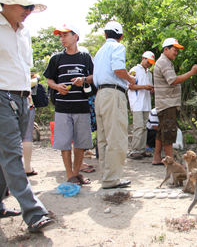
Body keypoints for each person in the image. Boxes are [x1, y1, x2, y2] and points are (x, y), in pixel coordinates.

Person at [0, 0, 54, 233]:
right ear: (7, 3)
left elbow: (24, 67)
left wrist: (29, 95)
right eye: (25, 6)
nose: (29, 11)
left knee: (5, 154)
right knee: (13, 153)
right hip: (1, 97)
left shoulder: (24, 32)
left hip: (23, 97)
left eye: (32, 7)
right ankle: (33, 214)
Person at [44, 24, 93, 186]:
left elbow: (94, 76)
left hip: (82, 107)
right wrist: (57, 87)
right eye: (61, 36)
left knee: (81, 143)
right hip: (63, 108)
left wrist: (83, 80)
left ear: (76, 37)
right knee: (64, 143)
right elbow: (49, 79)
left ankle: (76, 173)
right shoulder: (56, 58)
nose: (62, 38)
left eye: (65, 35)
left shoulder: (85, 57)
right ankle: (69, 174)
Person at [93, 21, 136, 189]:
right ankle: (112, 180)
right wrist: (130, 79)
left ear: (105, 35)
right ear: (121, 36)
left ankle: (106, 176)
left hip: (100, 94)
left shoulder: (99, 51)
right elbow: (118, 70)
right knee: (117, 138)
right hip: (113, 94)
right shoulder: (118, 47)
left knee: (103, 139)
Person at [152, 38, 197, 165]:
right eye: (174, 50)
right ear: (166, 49)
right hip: (167, 103)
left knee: (162, 131)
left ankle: (157, 158)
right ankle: (171, 162)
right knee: (169, 131)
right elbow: (173, 80)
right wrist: (192, 72)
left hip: (164, 102)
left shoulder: (165, 61)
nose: (176, 53)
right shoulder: (164, 62)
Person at [127, 51, 155, 159]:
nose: (149, 64)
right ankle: (134, 150)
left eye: (151, 63)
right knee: (138, 126)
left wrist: (151, 89)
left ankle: (142, 149)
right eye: (148, 62)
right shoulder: (135, 70)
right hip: (137, 102)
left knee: (144, 127)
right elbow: (130, 86)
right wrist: (144, 87)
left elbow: (148, 87)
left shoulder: (149, 73)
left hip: (146, 103)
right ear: (143, 58)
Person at [23, 72, 41, 176]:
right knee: (27, 137)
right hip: (27, 105)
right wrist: (37, 77)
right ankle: (27, 167)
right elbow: (33, 82)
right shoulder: (23, 76)